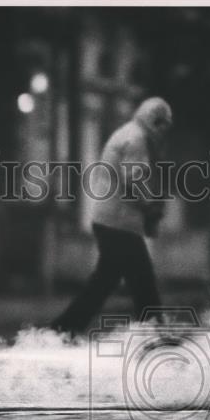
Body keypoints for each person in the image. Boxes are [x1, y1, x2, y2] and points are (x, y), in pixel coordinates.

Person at [51, 97, 173, 335]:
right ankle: (157, 335)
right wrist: (150, 207)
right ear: (154, 121)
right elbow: (132, 181)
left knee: (103, 284)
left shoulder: (128, 132)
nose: (163, 133)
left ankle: (62, 329)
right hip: (120, 223)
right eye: (162, 126)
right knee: (143, 283)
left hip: (109, 220)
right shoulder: (136, 139)